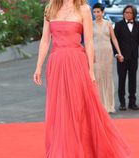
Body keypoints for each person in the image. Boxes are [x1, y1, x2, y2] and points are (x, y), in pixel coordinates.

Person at [33, 0, 131, 157]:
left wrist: (91, 70)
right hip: (56, 63)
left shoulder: (84, 9)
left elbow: (89, 41)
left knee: (80, 106)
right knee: (60, 108)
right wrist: (38, 66)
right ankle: (64, 151)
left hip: (76, 62)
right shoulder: (50, 9)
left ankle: (84, 148)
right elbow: (45, 40)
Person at [114, 5, 139, 111]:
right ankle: (122, 103)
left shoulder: (138, 25)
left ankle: (132, 103)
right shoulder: (119, 25)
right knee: (122, 79)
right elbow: (114, 41)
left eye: (129, 12)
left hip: (134, 56)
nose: (127, 14)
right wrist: (117, 54)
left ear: (134, 14)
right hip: (122, 57)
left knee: (132, 80)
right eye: (125, 12)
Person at [93, 3, 123, 113]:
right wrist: (90, 54)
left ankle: (108, 105)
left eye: (98, 11)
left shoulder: (108, 24)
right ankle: (98, 105)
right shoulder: (90, 24)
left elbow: (114, 39)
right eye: (94, 12)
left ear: (103, 12)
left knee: (107, 77)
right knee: (97, 77)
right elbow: (88, 41)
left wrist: (119, 52)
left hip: (107, 53)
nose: (96, 14)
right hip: (95, 52)